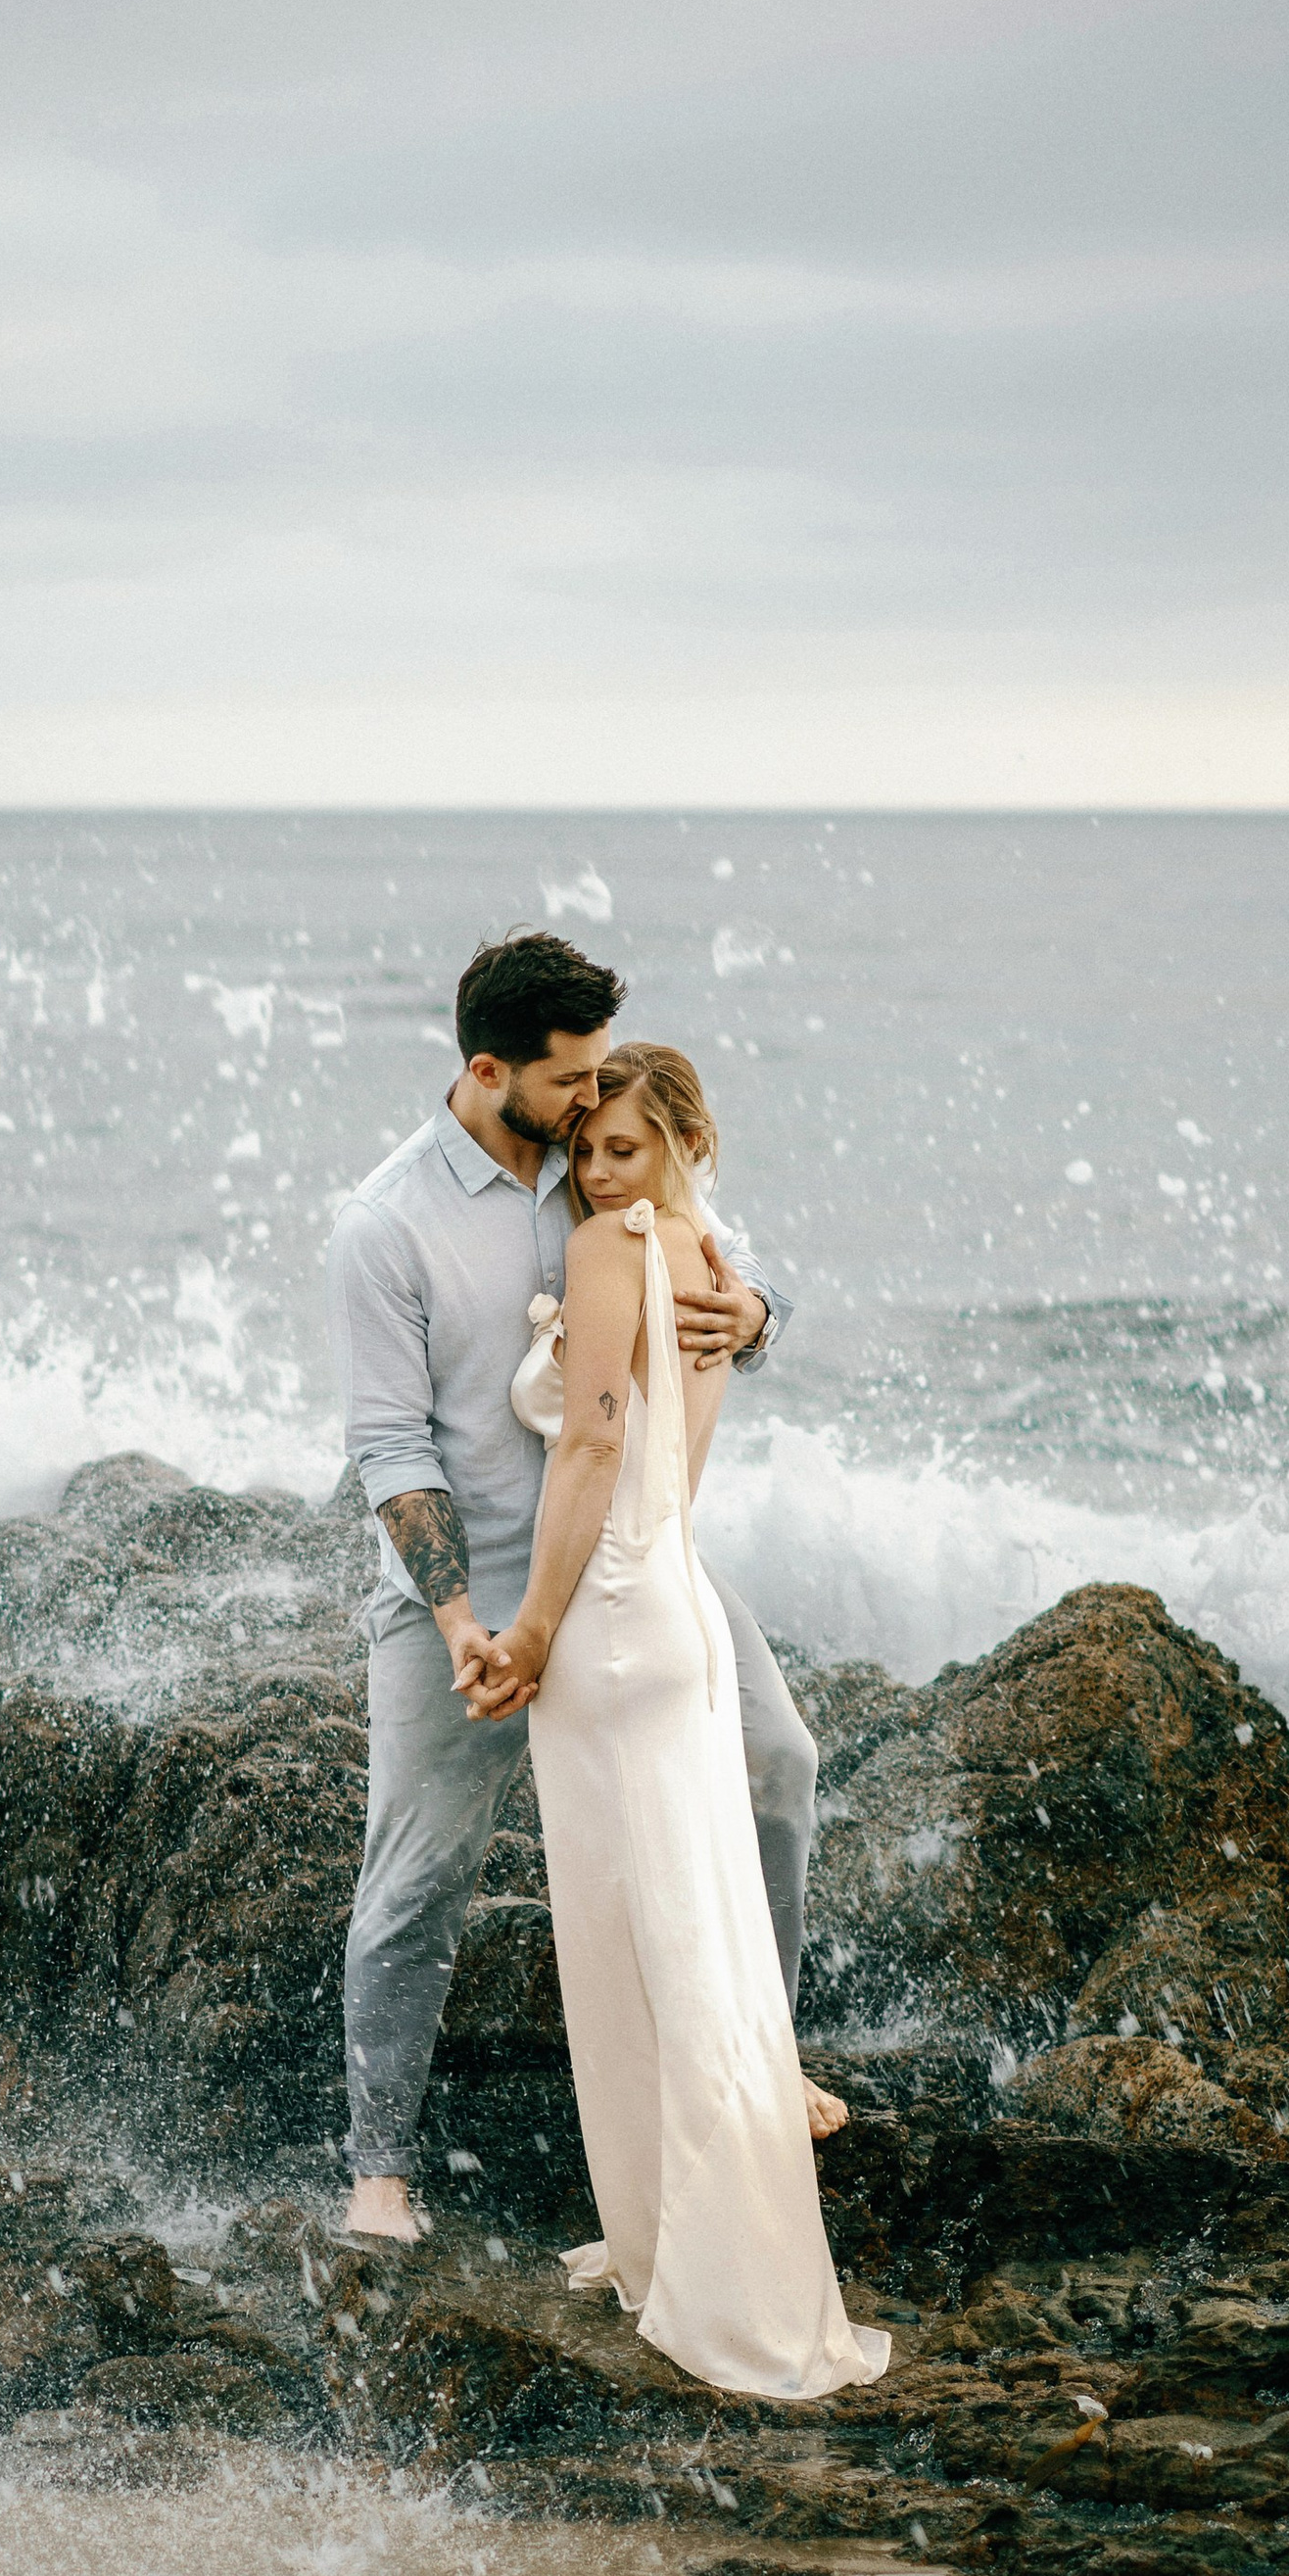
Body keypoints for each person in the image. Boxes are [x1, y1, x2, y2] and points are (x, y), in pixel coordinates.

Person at [326, 930, 838, 2250]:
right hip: (475, 1591)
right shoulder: (388, 1226)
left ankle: (763, 2058)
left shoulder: (598, 1151)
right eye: (570, 1079)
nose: (594, 1103)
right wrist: (460, 1625)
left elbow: (716, 1242)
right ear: (492, 1070)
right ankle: (380, 2169)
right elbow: (389, 1446)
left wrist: (760, 1313)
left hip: (634, 1560)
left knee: (778, 1764)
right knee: (419, 1874)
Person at [466, 1042, 888, 2397]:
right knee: (689, 1932)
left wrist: (531, 1625)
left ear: (687, 1143)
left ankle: (703, 2271)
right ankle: (694, 2249)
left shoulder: (607, 1257)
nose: (594, 1174)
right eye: (585, 1152)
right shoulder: (710, 1260)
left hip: (609, 1614)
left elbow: (589, 1445)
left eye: (622, 1150)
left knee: (633, 1949)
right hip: (680, 1601)